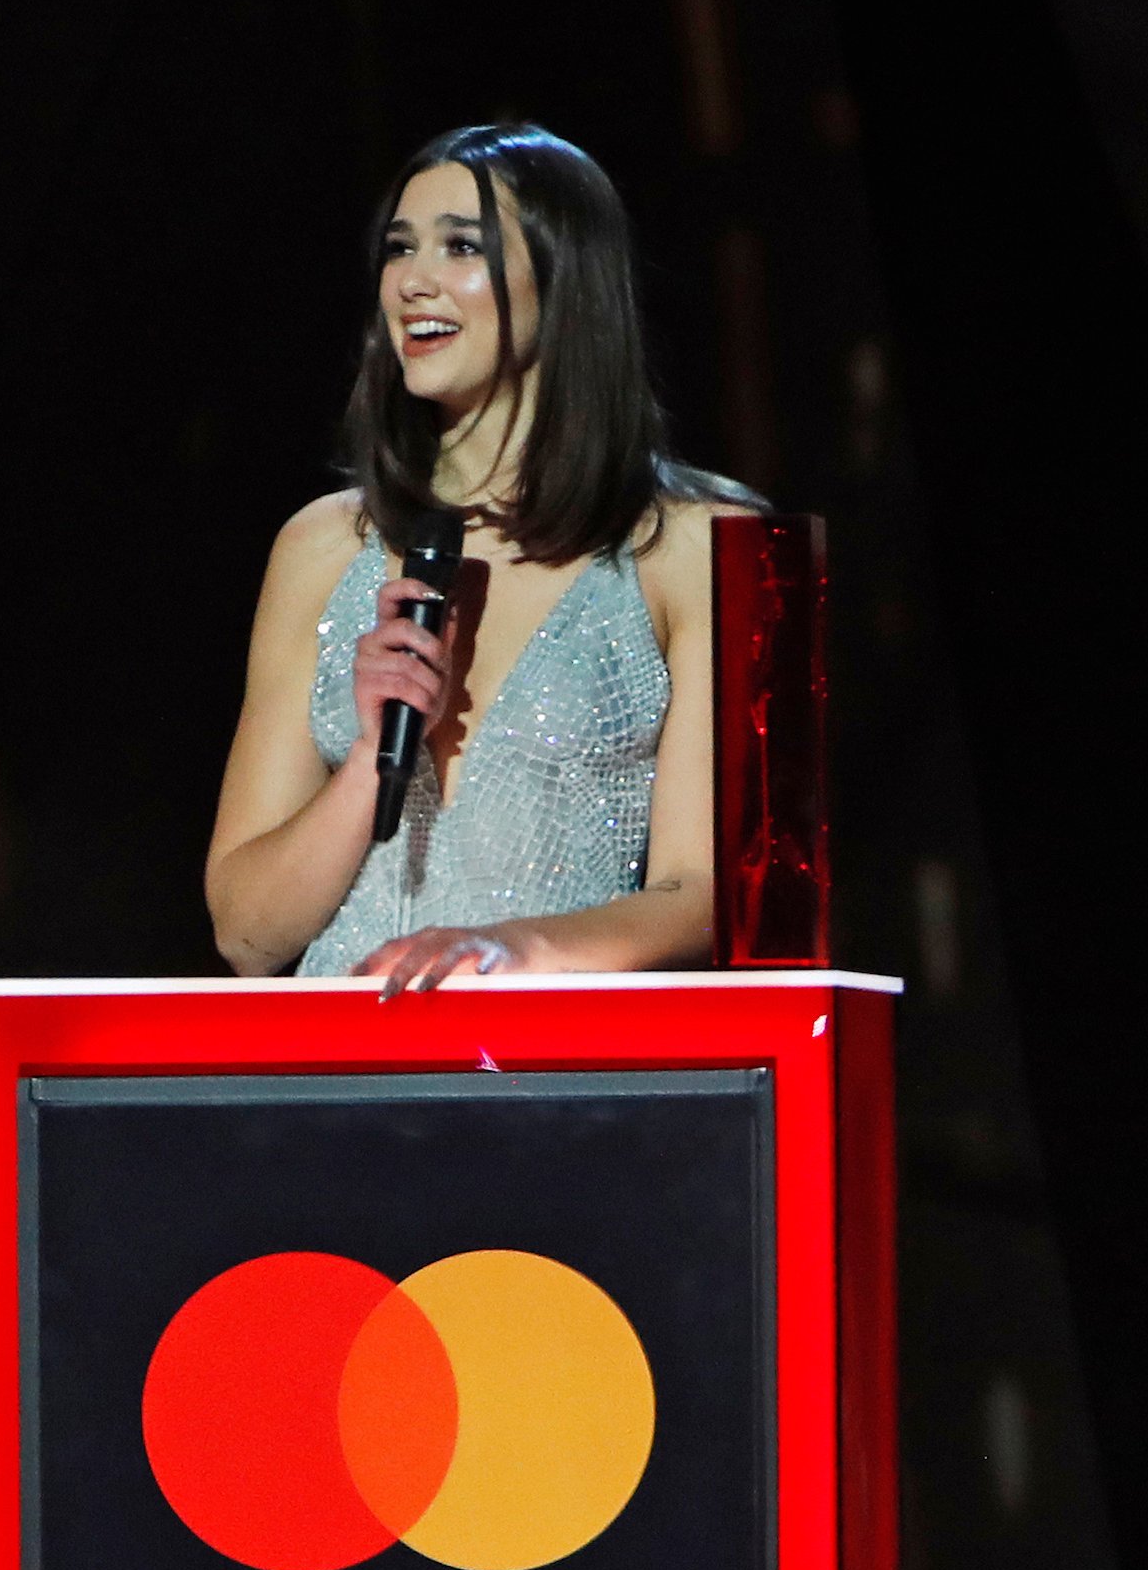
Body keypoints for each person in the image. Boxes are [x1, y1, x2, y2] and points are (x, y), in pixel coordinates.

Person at [206, 122, 759, 987]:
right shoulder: (322, 547)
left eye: (461, 246)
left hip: (553, 1087)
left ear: (564, 275)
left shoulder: (693, 543)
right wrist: (367, 760)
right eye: (400, 249)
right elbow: (247, 934)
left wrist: (510, 950)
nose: (414, 282)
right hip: (337, 1090)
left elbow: (707, 893)